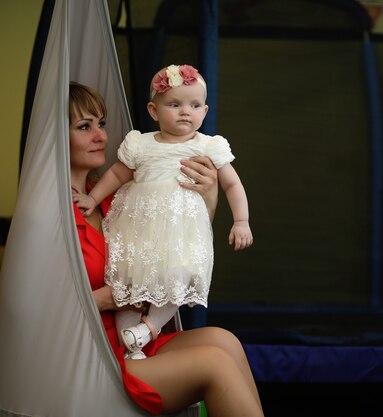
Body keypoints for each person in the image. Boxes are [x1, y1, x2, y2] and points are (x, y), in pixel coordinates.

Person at [69, 81, 263, 416]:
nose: (100, 135)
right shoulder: (53, 213)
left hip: (134, 339)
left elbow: (175, 238)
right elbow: (35, 307)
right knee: (214, 363)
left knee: (224, 341)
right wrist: (105, 297)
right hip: (92, 354)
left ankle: (145, 335)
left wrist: (210, 197)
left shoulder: (119, 198)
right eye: (84, 127)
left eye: (101, 124)